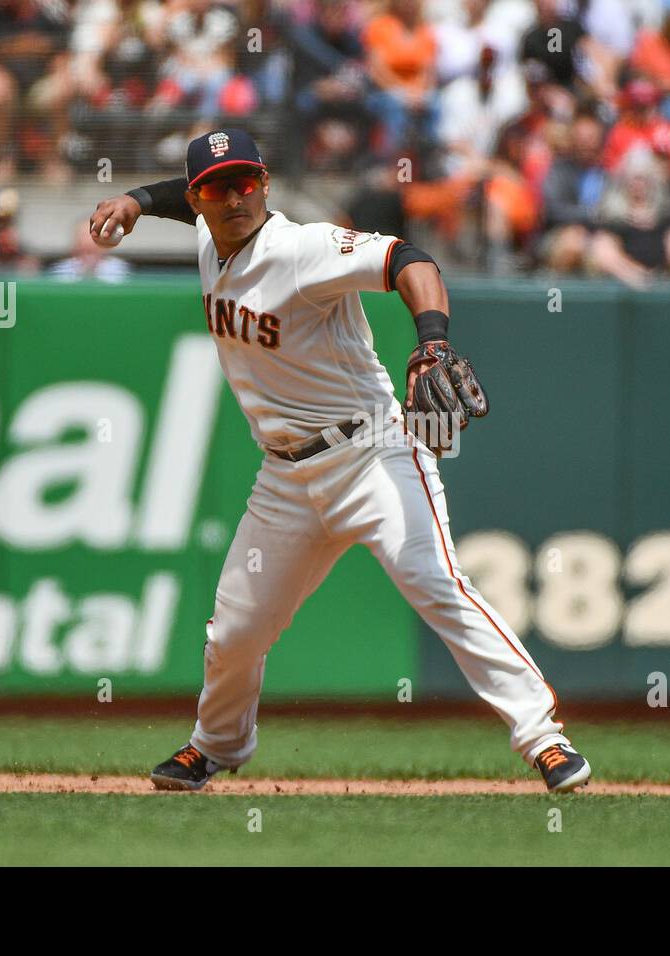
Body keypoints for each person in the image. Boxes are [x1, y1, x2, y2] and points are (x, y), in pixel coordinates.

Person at [87, 128, 591, 794]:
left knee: (436, 581)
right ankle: (214, 746)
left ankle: (543, 738)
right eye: (217, 187)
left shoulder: (303, 249)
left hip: (372, 454)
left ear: (264, 183)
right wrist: (134, 200)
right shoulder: (210, 231)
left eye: (246, 182)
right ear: (198, 197)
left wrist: (433, 342)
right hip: (285, 479)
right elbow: (182, 204)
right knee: (235, 630)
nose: (234, 197)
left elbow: (411, 259)